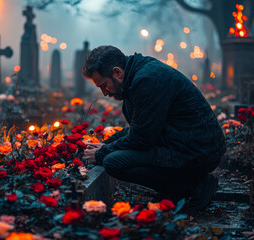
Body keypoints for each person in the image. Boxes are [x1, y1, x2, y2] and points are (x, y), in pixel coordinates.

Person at [82, 45, 226, 210]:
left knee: (114, 162)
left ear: (117, 73)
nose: (104, 93)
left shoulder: (147, 80)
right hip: (182, 142)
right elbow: (142, 128)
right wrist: (107, 144)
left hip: (198, 151)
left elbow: (141, 139)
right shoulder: (137, 76)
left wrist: (102, 152)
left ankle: (196, 186)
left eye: (104, 85)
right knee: (115, 155)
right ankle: (177, 189)